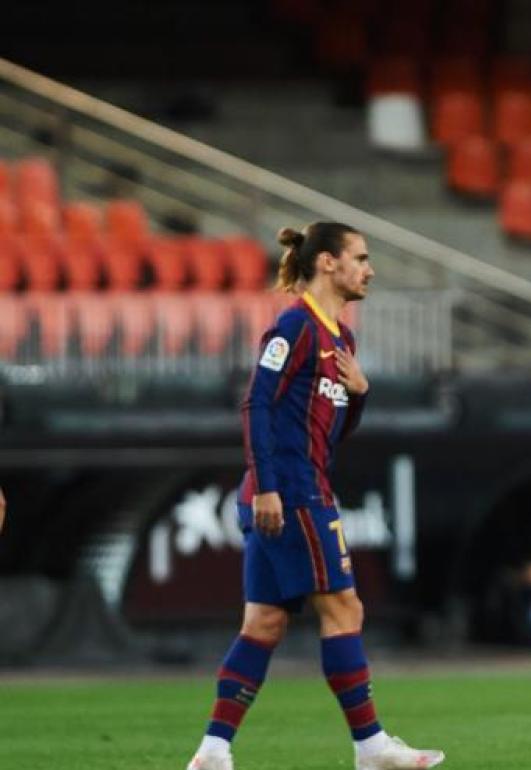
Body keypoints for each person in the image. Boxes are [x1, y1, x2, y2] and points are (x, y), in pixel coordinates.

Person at [185, 223, 444, 770]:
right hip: (292, 491)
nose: (369, 269)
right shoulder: (295, 326)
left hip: (296, 485)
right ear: (327, 262)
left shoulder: (341, 340)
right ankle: (371, 747)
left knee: (264, 624)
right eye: (361, 257)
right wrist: (271, 486)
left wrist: (361, 396)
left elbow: (333, 433)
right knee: (345, 607)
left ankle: (212, 751)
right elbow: (256, 404)